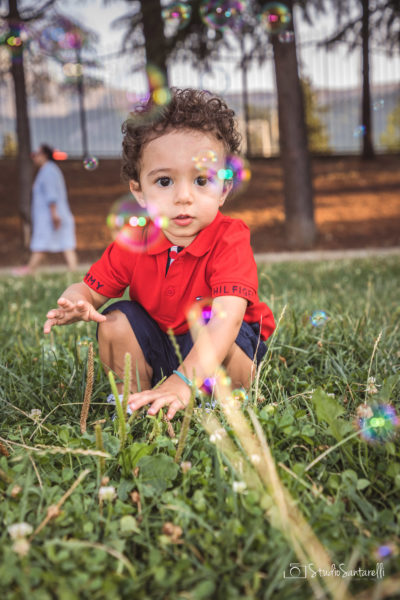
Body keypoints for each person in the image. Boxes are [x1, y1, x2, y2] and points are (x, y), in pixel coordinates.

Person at [43, 88, 275, 420]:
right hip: (160, 345)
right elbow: (90, 292)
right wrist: (77, 299)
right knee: (113, 321)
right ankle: (138, 405)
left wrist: (184, 380)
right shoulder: (133, 240)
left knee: (224, 330)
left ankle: (228, 405)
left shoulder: (229, 238)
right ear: (139, 192)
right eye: (164, 181)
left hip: (218, 346)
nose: (183, 196)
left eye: (201, 180)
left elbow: (230, 316)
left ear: (224, 189)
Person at [13, 144, 77, 275]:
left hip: (51, 216)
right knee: (65, 244)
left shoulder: (48, 171)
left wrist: (54, 214)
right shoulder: (49, 170)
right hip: (54, 215)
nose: (34, 157)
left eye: (37, 154)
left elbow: (51, 194)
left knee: (42, 244)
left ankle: (29, 271)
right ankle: (73, 271)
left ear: (45, 155)